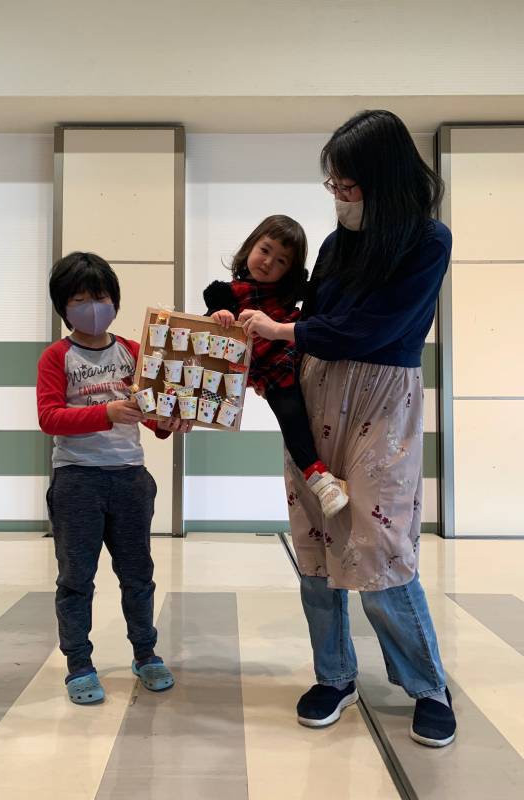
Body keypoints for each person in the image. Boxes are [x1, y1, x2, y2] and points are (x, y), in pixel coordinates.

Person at [239, 111, 457, 747]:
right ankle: (334, 675)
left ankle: (427, 685)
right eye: (333, 183)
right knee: (314, 540)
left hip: (382, 397)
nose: (338, 195)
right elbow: (317, 317)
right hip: (316, 389)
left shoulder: (428, 240)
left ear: (382, 179)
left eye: (347, 184)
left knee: (379, 542)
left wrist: (286, 330)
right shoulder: (338, 244)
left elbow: (378, 327)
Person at [37, 252, 192, 704]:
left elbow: (153, 416)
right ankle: (79, 664)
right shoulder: (57, 356)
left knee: (138, 574)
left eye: (100, 296)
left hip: (130, 478)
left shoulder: (132, 351)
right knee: (76, 579)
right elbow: (49, 417)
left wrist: (172, 420)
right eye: (79, 299)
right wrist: (105, 412)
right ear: (63, 307)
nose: (92, 307)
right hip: (76, 481)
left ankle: (145, 653)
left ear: (115, 301)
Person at [204, 215, 349, 518]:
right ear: (250, 247)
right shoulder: (227, 293)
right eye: (265, 250)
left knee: (316, 415)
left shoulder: (289, 291)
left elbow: (327, 291)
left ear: (290, 270)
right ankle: (320, 479)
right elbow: (209, 328)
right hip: (267, 370)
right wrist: (220, 316)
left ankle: (327, 475)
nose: (269, 262)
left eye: (282, 260)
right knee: (291, 418)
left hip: (296, 355)